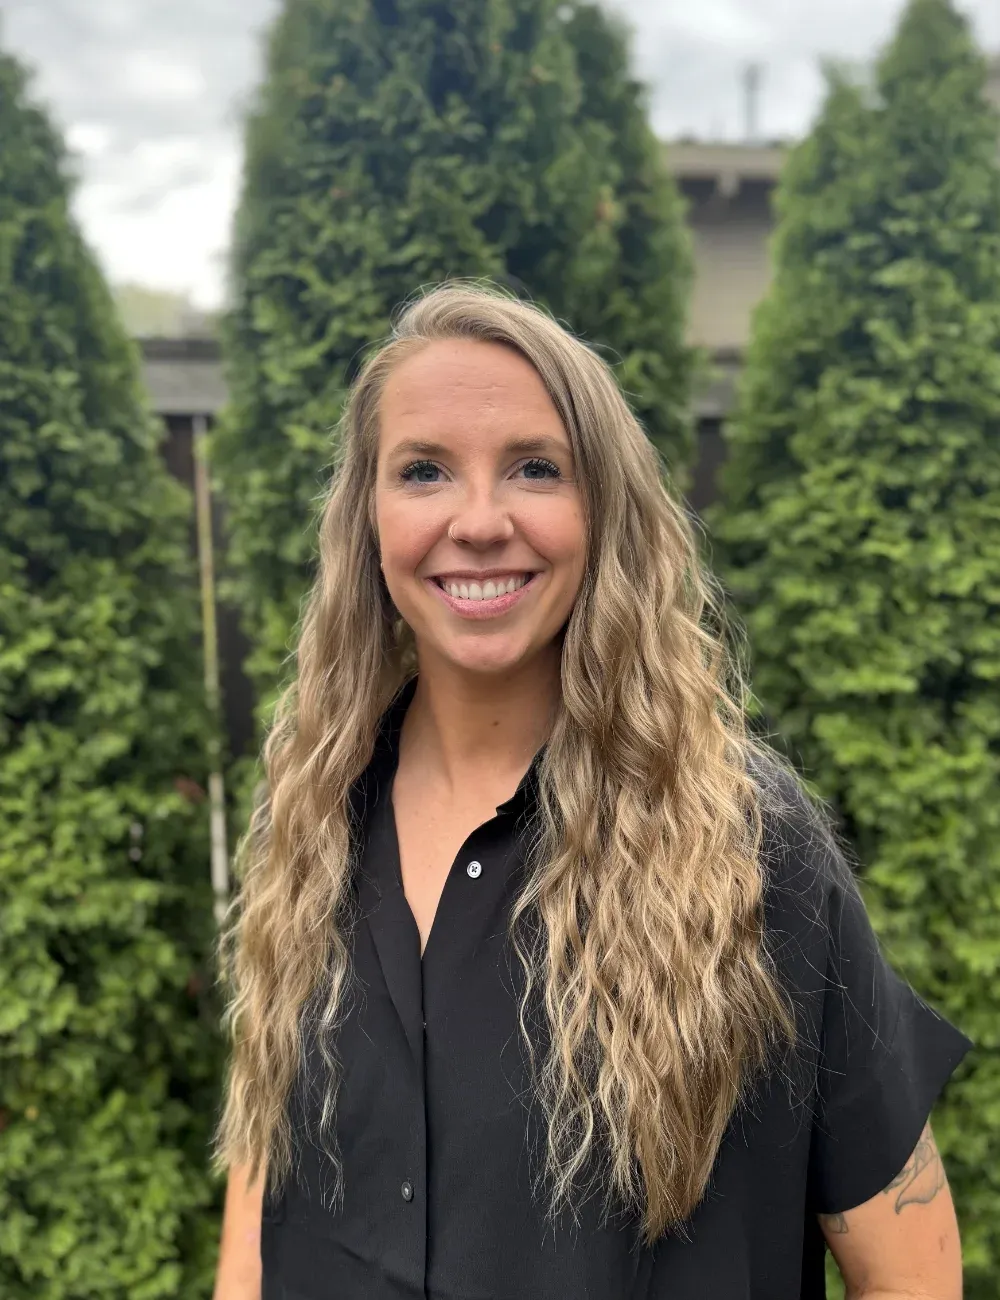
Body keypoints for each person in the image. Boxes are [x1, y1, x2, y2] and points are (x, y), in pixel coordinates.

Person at [211, 282, 971, 1300]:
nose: (478, 521)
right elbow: (260, 1209)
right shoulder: (312, 819)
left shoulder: (749, 847)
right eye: (424, 470)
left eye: (534, 467)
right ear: (367, 518)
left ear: (602, 508)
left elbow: (911, 1273)